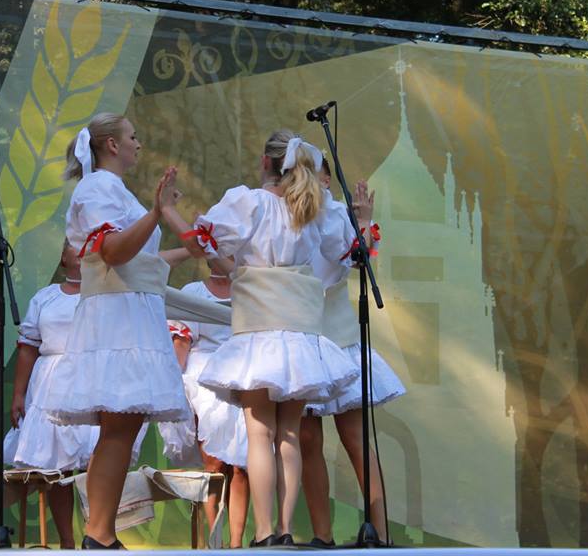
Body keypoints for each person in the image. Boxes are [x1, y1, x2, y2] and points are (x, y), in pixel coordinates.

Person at [159, 130, 371, 546]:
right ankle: (286, 529)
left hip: (259, 333)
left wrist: (169, 211)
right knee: (288, 434)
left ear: (264, 162)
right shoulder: (311, 207)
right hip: (298, 336)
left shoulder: (249, 202)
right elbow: (351, 253)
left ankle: (264, 530)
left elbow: (202, 246)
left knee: (259, 433)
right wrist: (363, 221)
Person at [41, 113, 189, 550]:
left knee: (124, 425)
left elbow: (140, 259)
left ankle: (102, 531)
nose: (138, 144)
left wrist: (185, 241)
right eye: (133, 136)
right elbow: (114, 252)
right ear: (111, 144)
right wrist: (156, 212)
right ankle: (98, 533)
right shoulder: (98, 188)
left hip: (131, 310)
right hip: (117, 316)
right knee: (119, 424)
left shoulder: (113, 189)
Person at [300, 160, 405, 547]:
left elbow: (360, 259)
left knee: (355, 436)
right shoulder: (286, 212)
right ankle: (322, 536)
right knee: (306, 439)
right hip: (300, 336)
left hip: (339, 335)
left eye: (312, 172)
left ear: (327, 179)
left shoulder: (336, 214)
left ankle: (380, 533)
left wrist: (363, 221)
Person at [3, 241, 99, 549]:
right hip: (49, 384)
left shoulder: (106, 295)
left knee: (96, 461)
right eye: (75, 246)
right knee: (58, 466)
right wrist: (18, 394)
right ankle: (67, 542)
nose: (82, 251)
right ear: (63, 256)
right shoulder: (45, 297)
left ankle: (97, 535)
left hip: (91, 378)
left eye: (89, 245)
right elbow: (28, 347)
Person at [161, 256, 251, 548]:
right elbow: (182, 342)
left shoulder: (247, 290)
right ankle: (215, 541)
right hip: (204, 377)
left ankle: (236, 543)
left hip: (242, 372)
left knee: (242, 465)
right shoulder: (193, 292)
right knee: (213, 464)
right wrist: (173, 384)